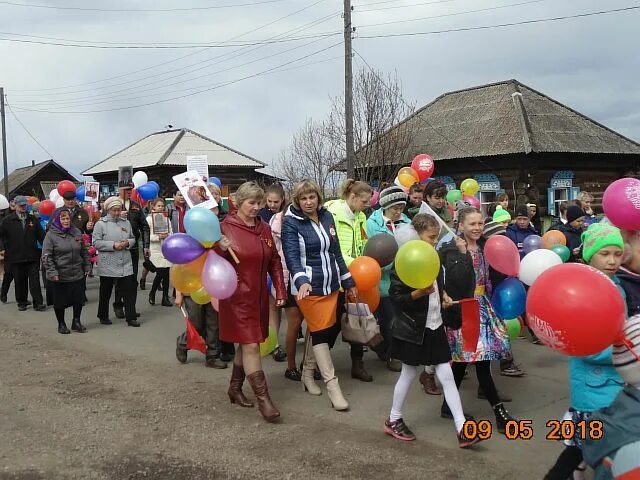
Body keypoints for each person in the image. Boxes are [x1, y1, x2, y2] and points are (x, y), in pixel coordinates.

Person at [385, 214, 481, 448]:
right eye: (430, 237)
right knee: (408, 373)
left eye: (436, 238)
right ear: (417, 235)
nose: (434, 242)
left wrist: (444, 294)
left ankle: (461, 427)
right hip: (414, 328)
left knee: (446, 376)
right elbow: (397, 298)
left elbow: (438, 283)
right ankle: (393, 419)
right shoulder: (405, 259)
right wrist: (418, 293)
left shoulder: (434, 255)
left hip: (435, 322)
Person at [544, 223, 626, 480]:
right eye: (605, 254)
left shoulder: (618, 286)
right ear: (590, 256)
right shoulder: (581, 291)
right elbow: (583, 345)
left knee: (587, 449)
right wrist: (625, 353)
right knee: (585, 449)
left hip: (616, 387)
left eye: (617, 253)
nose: (612, 260)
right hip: (593, 389)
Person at [439, 206, 516, 434]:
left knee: (468, 361)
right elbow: (453, 282)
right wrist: (462, 256)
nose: (477, 228)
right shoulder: (450, 250)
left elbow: (496, 273)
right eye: (471, 224)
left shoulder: (486, 247)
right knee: (478, 360)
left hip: (484, 307)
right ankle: (499, 413)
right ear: (460, 225)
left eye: (480, 223)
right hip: (464, 310)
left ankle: (446, 406)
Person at [282, 179, 357, 411]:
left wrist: (348, 280)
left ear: (318, 197)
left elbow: (335, 251)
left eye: (311, 197)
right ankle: (332, 386)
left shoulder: (326, 217)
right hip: (308, 288)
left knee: (320, 328)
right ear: (297, 200)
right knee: (322, 333)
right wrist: (301, 280)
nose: (308, 202)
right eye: (303, 198)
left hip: (331, 284)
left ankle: (306, 373)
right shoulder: (290, 223)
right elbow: (292, 256)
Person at [218, 182, 286, 423]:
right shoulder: (224, 228)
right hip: (236, 297)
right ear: (238, 203)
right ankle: (264, 399)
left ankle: (234, 388)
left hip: (258, 297)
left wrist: (280, 289)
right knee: (251, 346)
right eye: (252, 203)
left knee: (247, 344)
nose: (257, 207)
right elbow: (210, 262)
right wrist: (220, 249)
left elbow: (274, 261)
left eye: (260, 202)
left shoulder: (264, 229)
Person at [326, 179, 377, 381]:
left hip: (358, 278)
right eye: (364, 201)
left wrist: (365, 263)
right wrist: (355, 263)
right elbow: (332, 249)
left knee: (358, 319)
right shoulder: (332, 215)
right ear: (353, 197)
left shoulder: (361, 217)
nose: (366, 205)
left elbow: (363, 244)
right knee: (332, 324)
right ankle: (315, 363)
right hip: (338, 278)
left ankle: (358, 365)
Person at [366, 185, 411, 373]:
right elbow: (374, 249)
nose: (398, 212)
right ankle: (388, 352)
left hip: (402, 277)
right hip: (383, 278)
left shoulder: (406, 221)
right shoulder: (373, 223)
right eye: (395, 208)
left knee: (398, 317)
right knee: (388, 318)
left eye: (401, 207)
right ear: (385, 207)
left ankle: (394, 352)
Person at [269, 205, 309, 381]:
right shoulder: (279, 224)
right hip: (289, 279)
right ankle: (291, 366)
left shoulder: (313, 221)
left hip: (311, 278)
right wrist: (279, 287)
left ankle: (308, 364)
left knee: (313, 325)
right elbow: (275, 258)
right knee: (295, 323)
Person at [92, 197, 140, 327]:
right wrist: (112, 245)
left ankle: (131, 317)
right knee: (105, 291)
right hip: (108, 261)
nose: (117, 213)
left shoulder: (126, 223)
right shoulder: (101, 224)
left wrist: (128, 243)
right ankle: (103, 315)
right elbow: (95, 243)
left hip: (125, 260)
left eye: (119, 210)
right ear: (108, 210)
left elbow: (132, 238)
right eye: (114, 211)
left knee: (129, 290)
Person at [42, 208, 90, 334]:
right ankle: (61, 324)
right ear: (57, 220)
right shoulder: (51, 235)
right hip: (60, 275)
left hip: (77, 273)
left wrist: (87, 266)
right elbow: (47, 256)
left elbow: (84, 251)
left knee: (78, 300)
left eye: (68, 218)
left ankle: (76, 321)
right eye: (63, 218)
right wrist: (52, 272)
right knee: (59, 302)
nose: (66, 221)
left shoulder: (76, 232)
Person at [0, 195, 46, 311]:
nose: (23, 206)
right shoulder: (7, 221)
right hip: (15, 256)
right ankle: (22, 302)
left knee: (35, 281)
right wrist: (2, 248)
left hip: (32, 255)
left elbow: (41, 236)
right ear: (14, 205)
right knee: (20, 281)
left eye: (24, 204)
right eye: (20, 204)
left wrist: (46, 248)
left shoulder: (32, 219)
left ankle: (38, 303)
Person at [113, 186, 149, 315]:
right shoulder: (113, 204)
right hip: (117, 248)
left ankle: (131, 309)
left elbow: (145, 226)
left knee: (132, 280)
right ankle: (118, 304)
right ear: (120, 189)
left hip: (132, 247)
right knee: (120, 278)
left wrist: (146, 245)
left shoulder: (136, 205)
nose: (129, 192)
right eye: (126, 189)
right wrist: (117, 217)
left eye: (131, 189)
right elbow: (104, 223)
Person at [174, 290, 227, 369]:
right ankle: (183, 343)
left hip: (212, 290)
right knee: (196, 325)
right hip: (192, 290)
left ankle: (213, 356)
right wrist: (178, 294)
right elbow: (179, 277)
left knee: (214, 324)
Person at [146, 198, 172, 307]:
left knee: (166, 273)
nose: (161, 208)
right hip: (155, 248)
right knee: (160, 272)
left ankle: (165, 297)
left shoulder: (166, 218)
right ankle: (152, 292)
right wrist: (158, 237)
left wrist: (167, 236)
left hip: (165, 248)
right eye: (159, 206)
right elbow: (147, 235)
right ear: (153, 207)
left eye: (162, 206)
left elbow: (171, 232)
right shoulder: (149, 219)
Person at [0, 195, 16, 304]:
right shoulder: (4, 216)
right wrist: (1, 248)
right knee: (9, 273)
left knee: (21, 275)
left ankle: (21, 298)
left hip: (21, 247)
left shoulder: (24, 215)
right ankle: (3, 292)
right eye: (12, 201)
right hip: (8, 248)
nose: (14, 203)